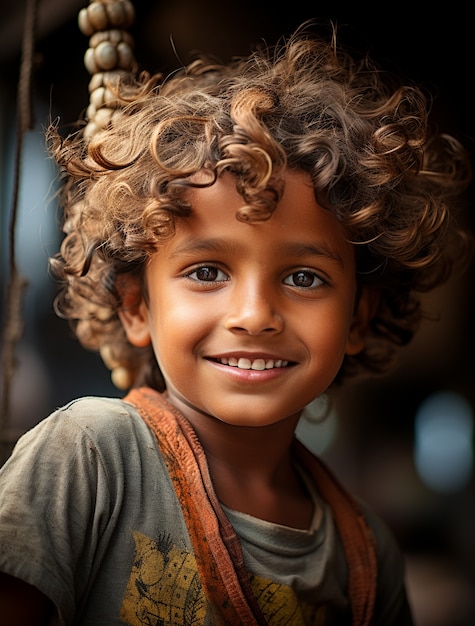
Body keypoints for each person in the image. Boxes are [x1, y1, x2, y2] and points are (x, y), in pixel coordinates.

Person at [0, 19, 471, 626]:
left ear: (359, 316)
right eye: (206, 272)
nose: (253, 316)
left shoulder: (367, 555)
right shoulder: (90, 458)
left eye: (304, 278)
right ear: (136, 306)